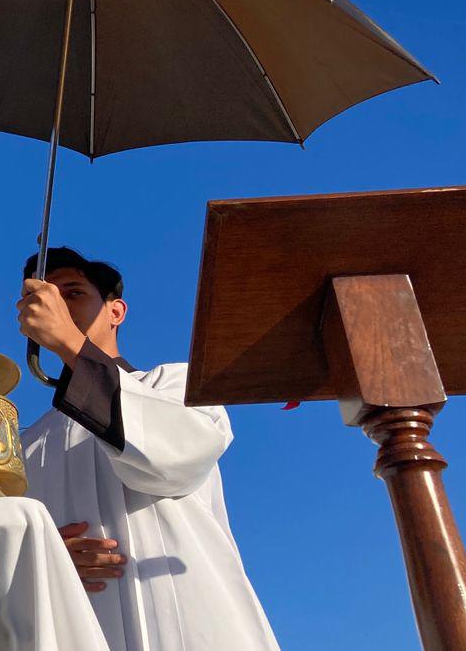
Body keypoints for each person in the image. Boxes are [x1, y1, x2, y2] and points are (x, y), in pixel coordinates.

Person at [16, 247, 278, 651]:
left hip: (192, 621)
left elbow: (175, 459)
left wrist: (69, 341)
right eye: (46, 295)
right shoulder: (24, 445)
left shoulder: (174, 386)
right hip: (79, 627)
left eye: (73, 293)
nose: (57, 303)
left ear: (115, 311)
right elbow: (7, 547)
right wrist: (46, 559)